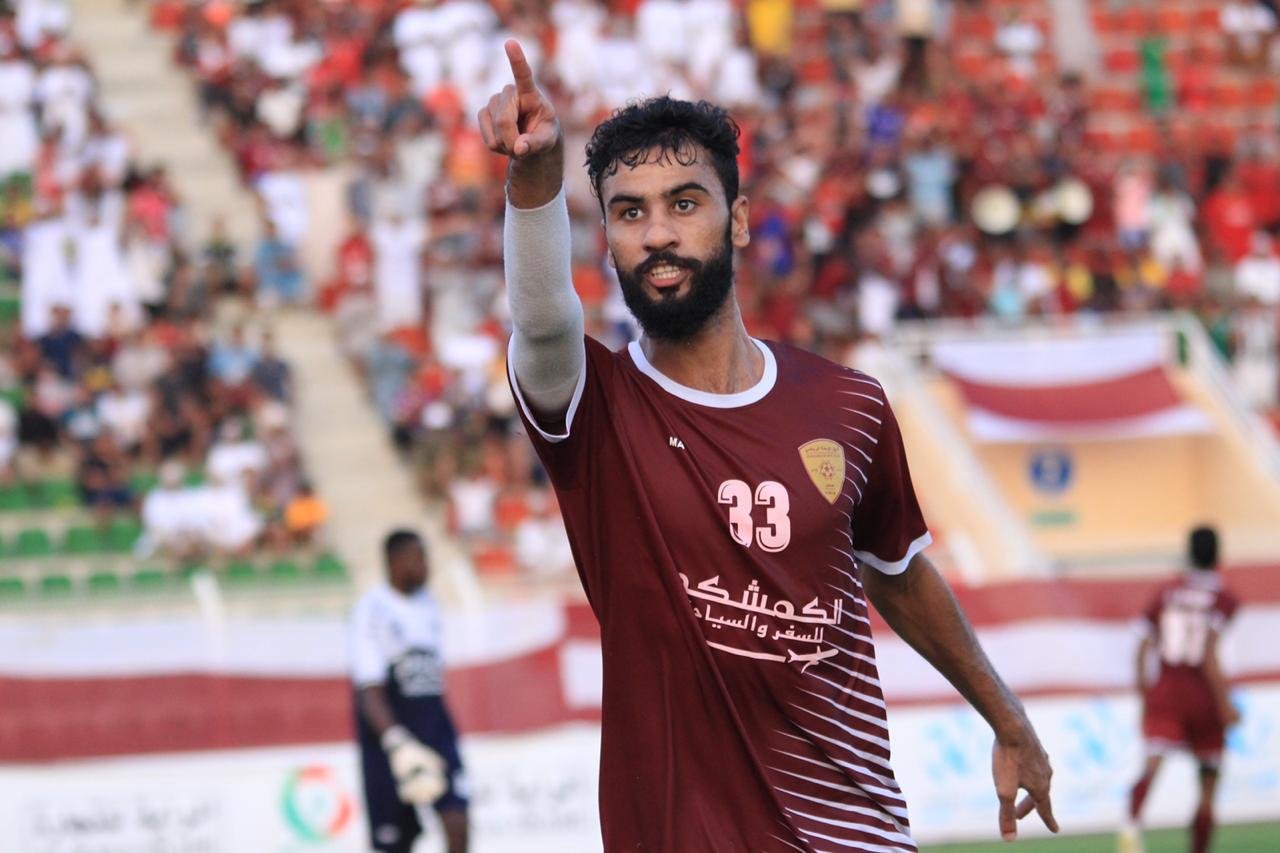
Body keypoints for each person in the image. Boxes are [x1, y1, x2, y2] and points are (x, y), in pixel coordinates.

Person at [482, 40, 1056, 850]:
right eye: (630, 212)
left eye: (685, 203)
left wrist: (1008, 717)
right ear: (606, 238)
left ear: (740, 220)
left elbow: (898, 573)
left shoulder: (850, 405)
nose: (657, 233)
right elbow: (542, 319)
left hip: (855, 832)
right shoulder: (592, 407)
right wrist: (536, 178)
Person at [1119, 526, 1241, 853]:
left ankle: (1130, 826)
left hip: (1167, 689)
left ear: (1189, 553)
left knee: (1152, 764)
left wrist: (1145, 694)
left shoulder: (1167, 592)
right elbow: (1209, 654)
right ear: (1218, 555)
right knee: (1208, 779)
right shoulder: (1224, 598)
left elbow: (1142, 644)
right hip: (1203, 695)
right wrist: (1225, 704)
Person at [350, 530, 469, 853]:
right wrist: (398, 744)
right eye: (419, 557)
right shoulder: (373, 609)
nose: (426, 565)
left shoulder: (430, 605)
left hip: (435, 728)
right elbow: (369, 689)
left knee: (457, 821)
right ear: (395, 561)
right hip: (391, 739)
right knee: (396, 842)